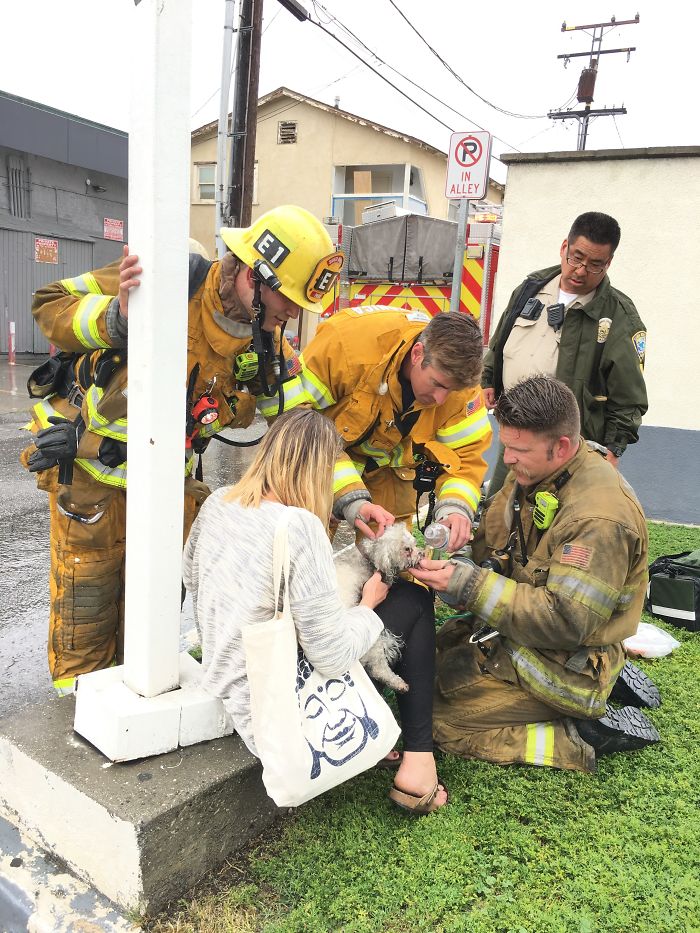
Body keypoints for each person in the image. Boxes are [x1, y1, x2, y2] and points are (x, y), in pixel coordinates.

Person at [21, 206, 343, 694]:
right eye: (287, 297)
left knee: (149, 621)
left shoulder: (268, 347)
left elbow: (305, 431)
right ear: (253, 277)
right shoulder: (166, 280)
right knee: (84, 616)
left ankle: (133, 708)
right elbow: (50, 303)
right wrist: (117, 317)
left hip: (167, 495)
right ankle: (80, 722)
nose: (293, 313)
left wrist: (351, 499)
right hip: (89, 485)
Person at [183, 409, 448, 814]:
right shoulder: (299, 526)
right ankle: (419, 764)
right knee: (412, 601)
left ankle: (408, 750)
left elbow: (193, 579)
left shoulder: (220, 500)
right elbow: (330, 653)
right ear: (318, 469)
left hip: (225, 677)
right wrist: (368, 605)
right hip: (273, 707)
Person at [411, 376, 661, 773]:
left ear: (561, 445)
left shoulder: (598, 519)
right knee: (427, 666)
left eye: (517, 449)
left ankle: (577, 734)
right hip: (525, 637)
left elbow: (565, 620)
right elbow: (499, 534)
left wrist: (468, 583)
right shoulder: (537, 470)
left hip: (563, 664)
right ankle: (612, 673)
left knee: (437, 722)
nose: (506, 458)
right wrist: (463, 532)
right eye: (505, 445)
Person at [257, 307, 491, 552]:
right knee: (299, 553)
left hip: (389, 476)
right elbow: (297, 424)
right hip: (318, 462)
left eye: (451, 391)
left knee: (393, 561)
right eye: (437, 384)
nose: (441, 400)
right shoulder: (347, 343)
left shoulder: (462, 385)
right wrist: (350, 499)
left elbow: (466, 462)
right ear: (418, 354)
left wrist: (456, 508)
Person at [482, 211, 648, 495]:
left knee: (553, 524)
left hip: (565, 449)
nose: (582, 270)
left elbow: (629, 398)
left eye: (595, 265)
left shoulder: (618, 316)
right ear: (564, 248)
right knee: (498, 514)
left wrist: (613, 448)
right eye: (577, 257)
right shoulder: (530, 289)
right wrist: (489, 378)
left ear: (608, 263)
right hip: (515, 433)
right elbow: (500, 340)